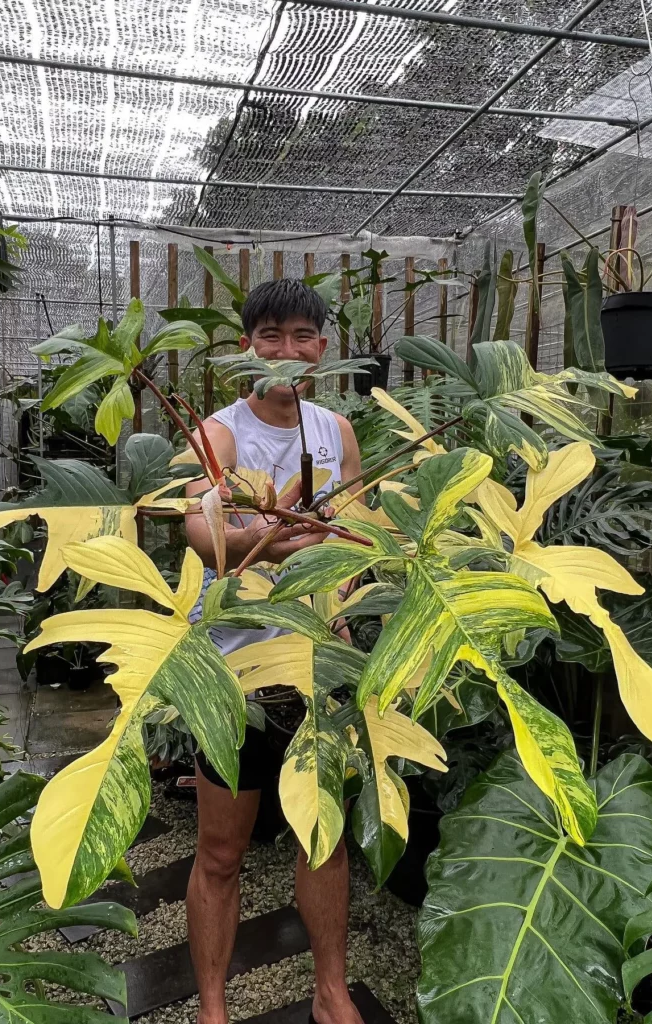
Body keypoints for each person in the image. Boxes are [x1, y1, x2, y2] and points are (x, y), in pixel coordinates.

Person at [184, 279, 366, 1024]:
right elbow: (198, 530)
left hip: (316, 662)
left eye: (300, 336)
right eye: (269, 337)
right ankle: (213, 1005)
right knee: (221, 848)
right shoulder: (221, 433)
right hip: (232, 665)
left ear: (321, 348)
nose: (285, 351)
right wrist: (258, 539)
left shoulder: (337, 432)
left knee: (321, 833)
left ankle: (330, 990)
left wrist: (348, 601)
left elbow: (355, 533)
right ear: (246, 348)